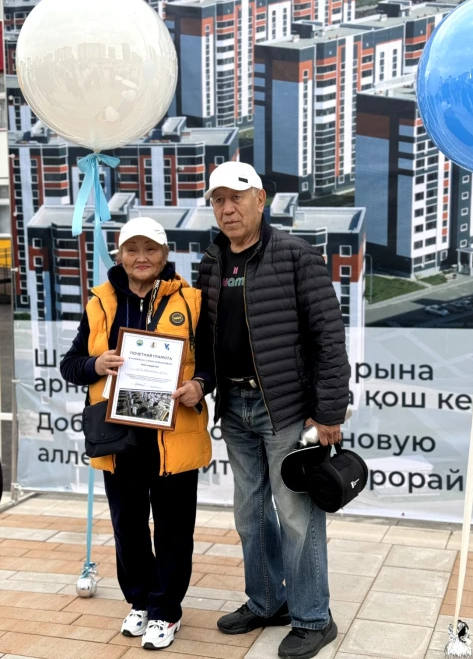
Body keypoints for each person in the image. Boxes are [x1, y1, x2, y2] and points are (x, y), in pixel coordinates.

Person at [174, 162, 350, 659]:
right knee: (250, 515)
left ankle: (313, 618)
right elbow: (209, 339)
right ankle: (268, 600)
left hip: (287, 409)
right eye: (218, 200)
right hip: (234, 406)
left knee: (296, 516)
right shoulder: (212, 262)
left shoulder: (296, 256)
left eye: (236, 197)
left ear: (260, 199)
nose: (227, 209)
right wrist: (202, 383)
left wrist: (329, 411)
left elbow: (328, 337)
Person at [60, 217, 211, 651]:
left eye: (150, 249)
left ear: (165, 254)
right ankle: (141, 601)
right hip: (119, 437)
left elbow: (212, 361)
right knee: (127, 526)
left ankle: (166, 611)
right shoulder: (100, 303)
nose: (141, 257)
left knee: (173, 529)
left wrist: (200, 385)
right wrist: (96, 364)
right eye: (132, 249)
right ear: (120, 255)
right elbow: (71, 364)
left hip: (172, 435)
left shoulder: (192, 301)